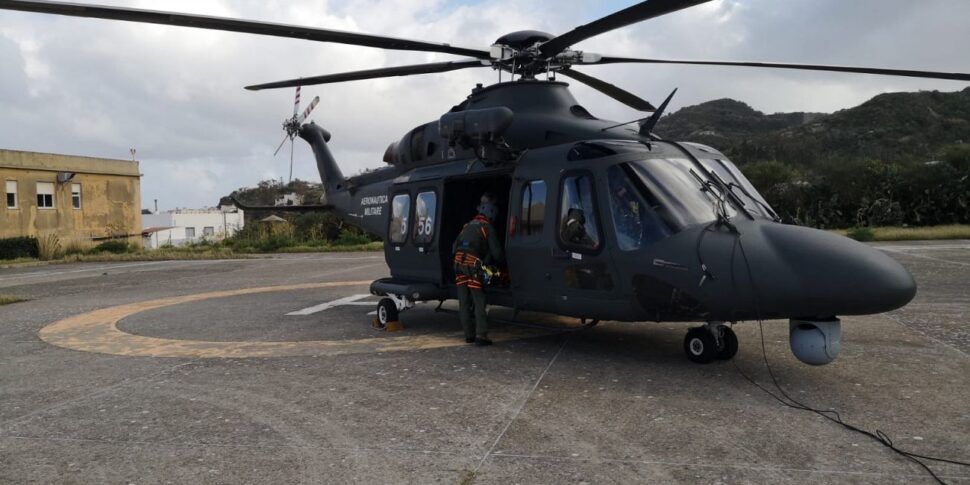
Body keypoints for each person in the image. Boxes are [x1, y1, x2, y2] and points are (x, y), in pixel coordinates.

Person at [452, 192, 503, 346]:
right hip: (472, 267)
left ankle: (469, 335)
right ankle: (481, 335)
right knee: (479, 300)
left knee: (464, 301)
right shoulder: (487, 227)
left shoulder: (467, 226)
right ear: (491, 212)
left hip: (458, 266)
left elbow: (454, 247)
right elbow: (497, 254)